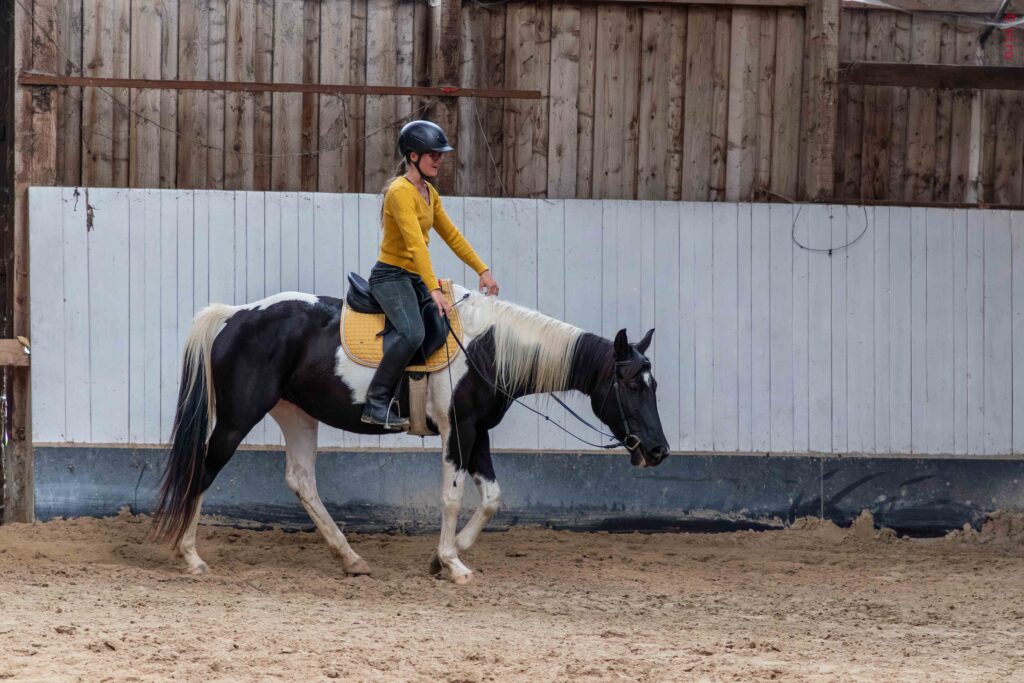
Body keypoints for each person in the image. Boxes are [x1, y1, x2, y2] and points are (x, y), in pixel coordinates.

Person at [362, 119, 500, 430]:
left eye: (441, 154)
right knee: (413, 332)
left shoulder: (429, 193)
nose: (438, 160)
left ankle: (417, 398)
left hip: (412, 277)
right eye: (432, 154)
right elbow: (415, 246)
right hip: (391, 277)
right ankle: (377, 401)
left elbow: (452, 236)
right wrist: (433, 289)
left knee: (445, 325)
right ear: (413, 156)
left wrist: (483, 270)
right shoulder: (400, 192)